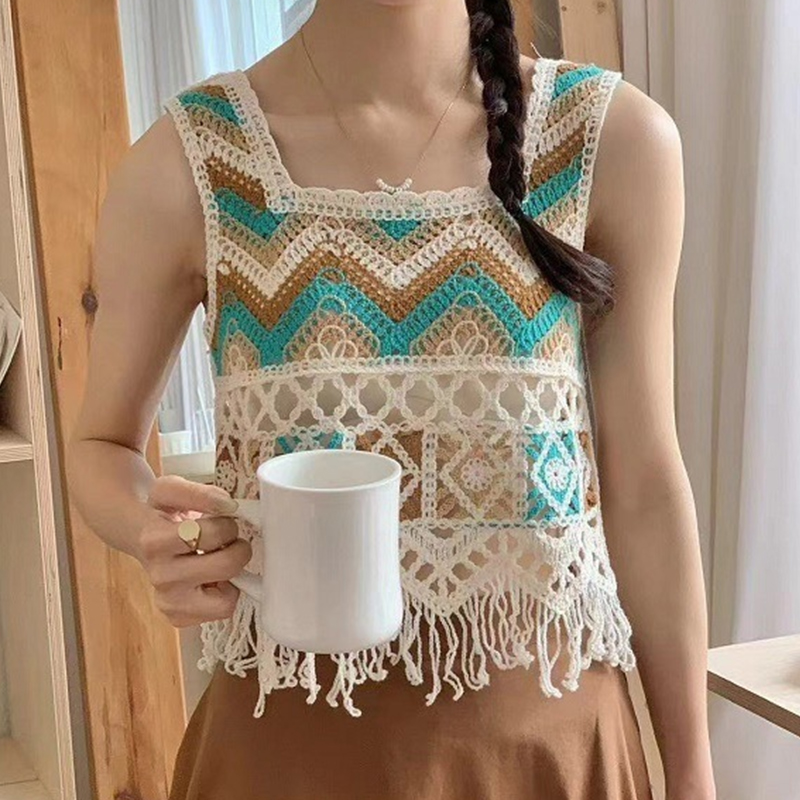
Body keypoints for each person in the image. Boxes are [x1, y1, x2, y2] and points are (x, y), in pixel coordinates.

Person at [67, 0, 716, 798]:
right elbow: (101, 445)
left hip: (555, 758)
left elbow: (644, 482)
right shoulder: (188, 162)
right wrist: (153, 530)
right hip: (284, 764)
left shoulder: (610, 140)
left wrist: (693, 773)